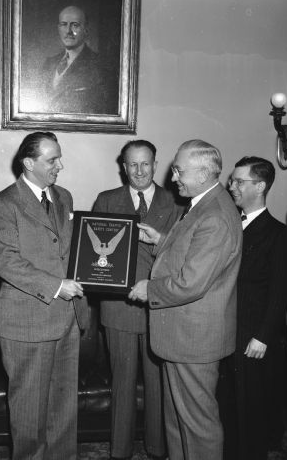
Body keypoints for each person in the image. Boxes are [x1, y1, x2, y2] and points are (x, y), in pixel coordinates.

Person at [129, 139, 242, 460]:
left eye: (179, 170)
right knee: (178, 422)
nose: (173, 176)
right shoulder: (204, 204)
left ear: (204, 174)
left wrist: (150, 289)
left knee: (197, 425)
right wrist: (161, 239)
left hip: (194, 340)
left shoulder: (216, 214)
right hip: (183, 337)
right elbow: (192, 253)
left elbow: (192, 282)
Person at [0, 132, 89, 460]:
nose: (60, 165)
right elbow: (7, 262)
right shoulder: (3, 204)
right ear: (29, 163)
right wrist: (58, 286)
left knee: (63, 410)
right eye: (52, 160)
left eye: (59, 157)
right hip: (27, 323)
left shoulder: (65, 197)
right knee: (29, 413)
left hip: (67, 320)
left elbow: (72, 251)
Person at [92, 140, 179, 460]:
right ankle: (119, 450)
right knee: (122, 385)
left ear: (156, 165)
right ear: (123, 166)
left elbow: (183, 254)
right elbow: (95, 256)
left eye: (146, 164)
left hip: (162, 306)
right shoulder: (107, 200)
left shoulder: (178, 201)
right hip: (119, 308)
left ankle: (157, 449)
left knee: (159, 386)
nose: (139, 171)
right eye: (132, 165)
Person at [218, 156, 287, 460]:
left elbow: (280, 291)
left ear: (260, 186)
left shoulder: (279, 235)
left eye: (239, 181)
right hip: (223, 333)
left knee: (250, 413)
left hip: (251, 338)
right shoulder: (227, 225)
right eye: (232, 180)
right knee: (226, 408)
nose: (231, 185)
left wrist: (263, 336)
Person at [40, 5, 113, 114]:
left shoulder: (101, 67)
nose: (68, 31)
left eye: (75, 25)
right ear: (58, 28)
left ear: (86, 29)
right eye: (64, 24)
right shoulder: (49, 64)